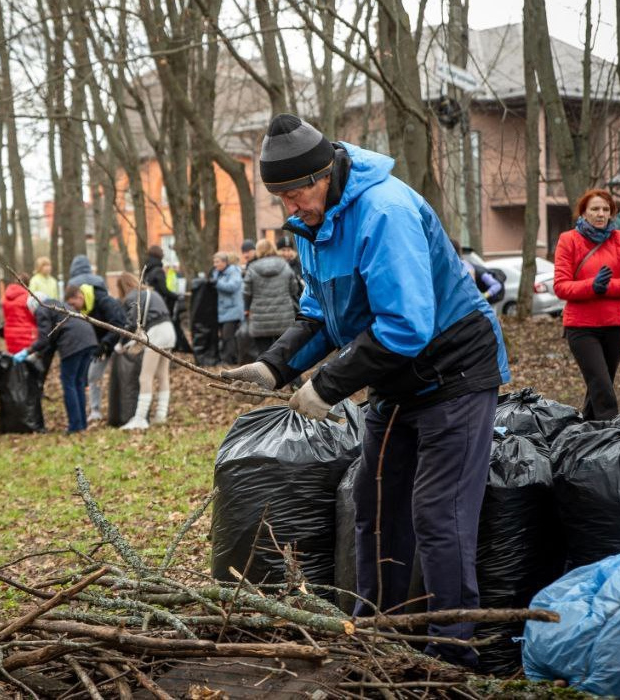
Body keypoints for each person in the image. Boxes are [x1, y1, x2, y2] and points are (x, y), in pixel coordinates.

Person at [221, 113, 509, 666]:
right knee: (376, 507)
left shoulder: (385, 211)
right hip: (395, 379)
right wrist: (273, 368)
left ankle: (450, 653)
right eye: (280, 197)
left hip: (454, 372)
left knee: (439, 515)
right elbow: (321, 315)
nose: (290, 206)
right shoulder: (313, 225)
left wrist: (326, 387)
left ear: (325, 173)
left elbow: (405, 325)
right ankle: (379, 635)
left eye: (296, 192)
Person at [553, 190, 620, 420]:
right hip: (582, 328)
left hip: (616, 326)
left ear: (611, 213)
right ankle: (611, 433)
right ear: (583, 213)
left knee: (600, 386)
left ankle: (588, 431)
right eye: (594, 209)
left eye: (605, 209)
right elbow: (561, 286)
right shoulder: (568, 240)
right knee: (602, 387)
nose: (600, 214)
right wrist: (591, 286)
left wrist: (607, 286)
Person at [18, 286, 98, 433]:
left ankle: (75, 426)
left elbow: (44, 338)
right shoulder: (58, 305)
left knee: (69, 384)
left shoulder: (42, 309)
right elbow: (51, 341)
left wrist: (28, 351)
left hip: (73, 343)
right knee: (79, 383)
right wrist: (39, 354)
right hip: (89, 339)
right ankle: (82, 424)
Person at [67, 255, 127, 421]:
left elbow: (119, 324)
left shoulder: (104, 301)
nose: (73, 308)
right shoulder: (81, 309)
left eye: (73, 304)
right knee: (93, 376)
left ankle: (123, 410)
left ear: (80, 296)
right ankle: (95, 410)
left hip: (120, 342)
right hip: (101, 345)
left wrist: (106, 343)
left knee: (122, 376)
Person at [115, 272, 176, 429]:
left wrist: (121, 343)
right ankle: (161, 415)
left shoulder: (133, 296)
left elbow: (131, 324)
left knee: (145, 377)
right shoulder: (152, 293)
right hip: (169, 330)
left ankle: (140, 418)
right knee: (163, 376)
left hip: (156, 333)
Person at [243, 238, 300, 357]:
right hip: (284, 316)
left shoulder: (252, 268)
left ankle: (266, 369)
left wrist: (247, 309)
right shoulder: (285, 265)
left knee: (264, 355)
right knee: (284, 354)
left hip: (260, 318)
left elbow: (247, 293)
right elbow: (294, 290)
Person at [211, 251, 244, 364]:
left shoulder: (234, 272)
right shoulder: (217, 273)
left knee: (228, 336)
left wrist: (217, 283)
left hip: (233, 310)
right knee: (225, 336)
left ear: (225, 262)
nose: (215, 264)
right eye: (214, 262)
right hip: (223, 310)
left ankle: (228, 360)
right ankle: (230, 358)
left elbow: (233, 286)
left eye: (217, 262)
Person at [451, 238, 503, 303]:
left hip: (489, 300)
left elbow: (497, 285)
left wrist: (485, 295)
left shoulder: (479, 273)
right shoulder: (460, 266)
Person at [141, 245, 180, 315]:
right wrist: (178, 297)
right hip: (160, 304)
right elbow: (164, 290)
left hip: (149, 303)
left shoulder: (147, 269)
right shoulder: (158, 271)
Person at [1, 282, 38, 354]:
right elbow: (33, 316)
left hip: (9, 333)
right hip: (26, 333)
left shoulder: (5, 298)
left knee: (14, 356)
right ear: (26, 285)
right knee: (26, 357)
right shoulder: (27, 297)